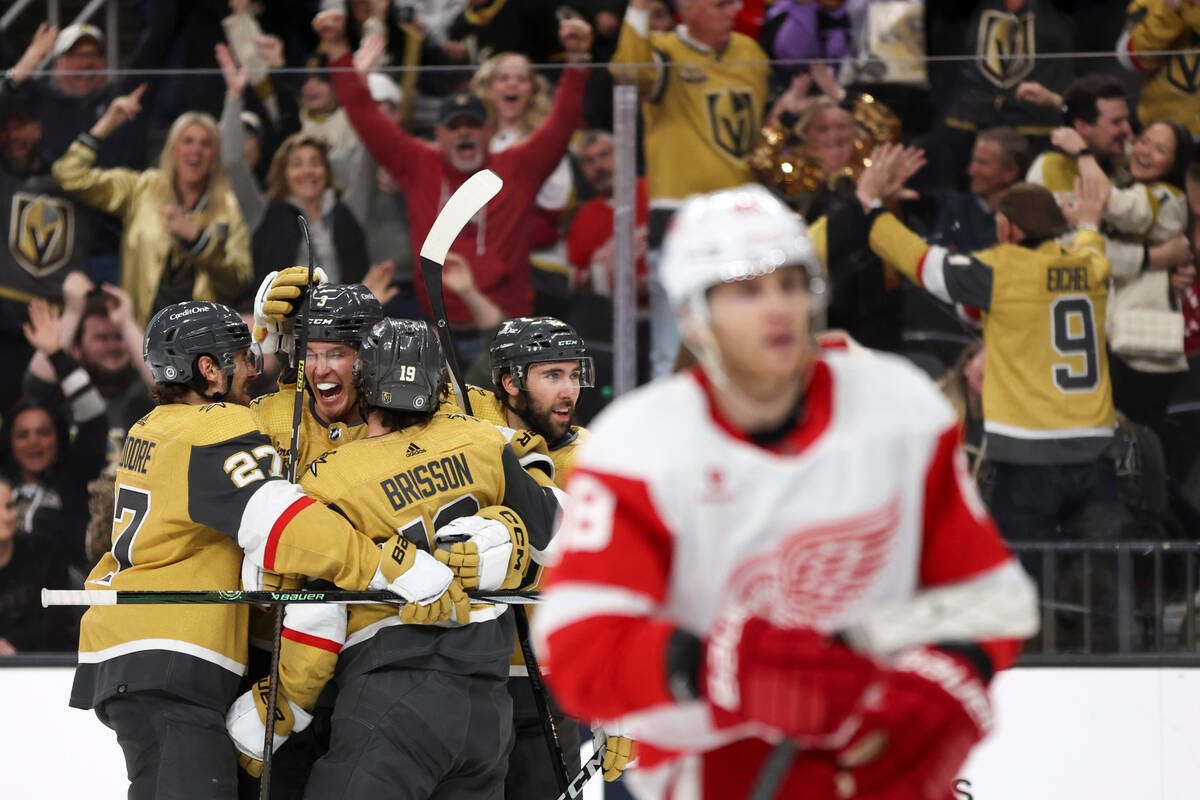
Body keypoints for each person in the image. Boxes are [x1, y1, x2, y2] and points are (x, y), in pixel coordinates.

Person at [534, 182, 1038, 799]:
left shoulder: (899, 409)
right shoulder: (639, 446)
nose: (777, 308)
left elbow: (995, 597)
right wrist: (717, 667)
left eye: (790, 284)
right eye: (747, 290)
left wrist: (944, 686)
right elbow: (579, 647)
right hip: (712, 772)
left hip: (880, 754)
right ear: (696, 315)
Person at [72, 300, 456, 799]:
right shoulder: (211, 428)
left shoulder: (151, 427)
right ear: (209, 369)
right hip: (170, 656)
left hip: (141, 649)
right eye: (243, 356)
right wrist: (384, 564)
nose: (256, 369)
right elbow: (282, 525)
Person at [227, 317, 561, 798]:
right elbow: (564, 540)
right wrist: (506, 540)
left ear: (363, 386)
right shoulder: (487, 444)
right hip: (488, 713)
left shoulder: (331, 480)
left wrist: (278, 713)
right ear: (439, 386)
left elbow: (316, 618)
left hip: (391, 699)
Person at [314, 9, 592, 351]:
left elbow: (561, 124)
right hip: (436, 334)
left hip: (507, 332)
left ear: (489, 131)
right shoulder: (418, 163)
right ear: (439, 133)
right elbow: (364, 114)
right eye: (455, 126)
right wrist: (337, 46)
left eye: (473, 125)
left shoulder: (519, 165)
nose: (465, 133)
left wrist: (578, 59)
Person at [462, 316, 638, 794]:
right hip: (464, 673)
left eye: (574, 375)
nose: (570, 392)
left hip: (545, 683)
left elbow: (615, 587)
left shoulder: (598, 461)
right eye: (552, 376)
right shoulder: (468, 424)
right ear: (509, 382)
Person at [610, 0, 771, 377]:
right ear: (690, 8)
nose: (733, 12)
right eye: (720, 5)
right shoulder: (665, 51)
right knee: (674, 348)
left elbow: (753, 136)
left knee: (743, 340)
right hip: (679, 216)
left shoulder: (751, 53)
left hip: (741, 216)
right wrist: (638, 10)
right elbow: (627, 72)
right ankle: (668, 434)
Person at [52, 89, 253, 327]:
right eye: (187, 141)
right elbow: (69, 175)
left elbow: (239, 281)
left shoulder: (227, 207)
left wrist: (200, 242)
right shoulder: (142, 188)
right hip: (140, 332)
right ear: (172, 149)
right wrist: (108, 123)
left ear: (215, 156)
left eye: (205, 144)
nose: (196, 151)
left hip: (200, 340)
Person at [251, 133, 370, 291]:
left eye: (315, 163)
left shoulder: (346, 210)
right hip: (285, 312)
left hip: (343, 310)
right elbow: (233, 161)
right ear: (284, 173)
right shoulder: (265, 213)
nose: (307, 171)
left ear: (326, 171)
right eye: (297, 164)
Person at [0, 473, 79, 653]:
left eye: (9, 506)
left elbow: (60, 619)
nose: (5, 516)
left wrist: (14, 643)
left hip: (42, 666)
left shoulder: (45, 552)